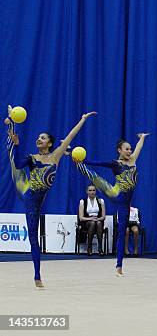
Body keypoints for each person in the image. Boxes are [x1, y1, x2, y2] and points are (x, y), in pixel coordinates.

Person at [4, 106, 96, 288]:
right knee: (32, 236)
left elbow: (70, 136)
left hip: (40, 199)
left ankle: (11, 124)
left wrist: (83, 119)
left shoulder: (56, 156)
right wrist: (16, 144)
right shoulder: (32, 158)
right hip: (28, 195)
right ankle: (37, 275)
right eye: (38, 137)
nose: (39, 139)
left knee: (34, 235)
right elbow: (18, 164)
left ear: (50, 143)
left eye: (43, 138)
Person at [74, 133, 149, 276]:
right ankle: (77, 165)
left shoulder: (133, 160)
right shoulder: (116, 164)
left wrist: (142, 138)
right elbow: (98, 163)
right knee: (96, 179)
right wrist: (83, 161)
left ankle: (119, 266)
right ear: (119, 150)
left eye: (130, 149)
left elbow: (139, 148)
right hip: (116, 193)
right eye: (126, 149)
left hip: (125, 204)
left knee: (122, 232)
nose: (130, 151)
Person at [78, 184, 106, 256]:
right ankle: (89, 247)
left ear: (96, 191)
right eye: (90, 190)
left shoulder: (101, 201)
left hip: (98, 220)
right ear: (87, 192)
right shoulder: (83, 201)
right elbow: (81, 218)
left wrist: (97, 219)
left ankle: (100, 247)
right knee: (93, 223)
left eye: (94, 190)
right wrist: (91, 218)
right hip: (86, 222)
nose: (92, 192)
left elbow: (103, 217)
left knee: (99, 223)